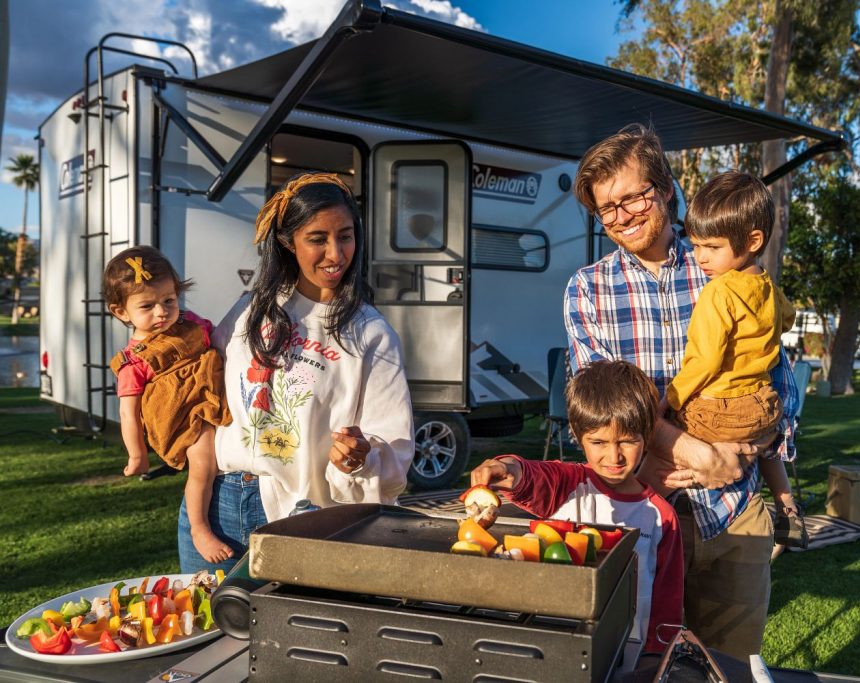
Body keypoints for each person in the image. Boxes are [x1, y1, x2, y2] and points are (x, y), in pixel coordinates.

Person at [564, 124, 800, 658]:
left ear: (666, 189)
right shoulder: (588, 290)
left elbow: (776, 376)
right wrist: (694, 451)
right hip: (641, 511)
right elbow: (600, 407)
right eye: (607, 209)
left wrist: (775, 484)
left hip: (735, 511)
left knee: (731, 664)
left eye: (633, 197)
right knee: (635, 661)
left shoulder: (724, 264)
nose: (622, 216)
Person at [177, 172, 415, 573]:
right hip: (216, 502)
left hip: (298, 514)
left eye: (345, 236)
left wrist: (359, 456)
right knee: (206, 627)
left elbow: (394, 450)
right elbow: (208, 383)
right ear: (288, 243)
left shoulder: (371, 334)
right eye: (317, 239)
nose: (336, 254)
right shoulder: (250, 310)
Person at [470, 360, 682, 669]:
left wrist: (654, 663)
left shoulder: (661, 516)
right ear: (578, 435)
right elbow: (529, 475)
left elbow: (667, 606)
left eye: (627, 441)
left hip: (627, 662)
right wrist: (505, 468)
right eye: (598, 442)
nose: (614, 456)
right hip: (548, 649)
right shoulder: (566, 483)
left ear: (647, 435)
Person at [664, 171, 807, 550]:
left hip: (719, 408)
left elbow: (704, 361)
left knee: (662, 430)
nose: (700, 258)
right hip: (761, 404)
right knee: (763, 443)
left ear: (753, 240)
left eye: (711, 246)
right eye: (695, 246)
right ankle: (787, 505)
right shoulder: (767, 286)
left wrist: (671, 400)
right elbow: (789, 317)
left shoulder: (717, 292)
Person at [102, 245, 234, 565]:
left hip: (214, 393)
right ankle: (200, 529)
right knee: (203, 464)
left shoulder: (191, 323)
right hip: (187, 416)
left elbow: (220, 340)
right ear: (120, 311)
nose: (161, 311)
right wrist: (137, 455)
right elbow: (128, 413)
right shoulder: (134, 363)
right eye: (147, 305)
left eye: (169, 300)